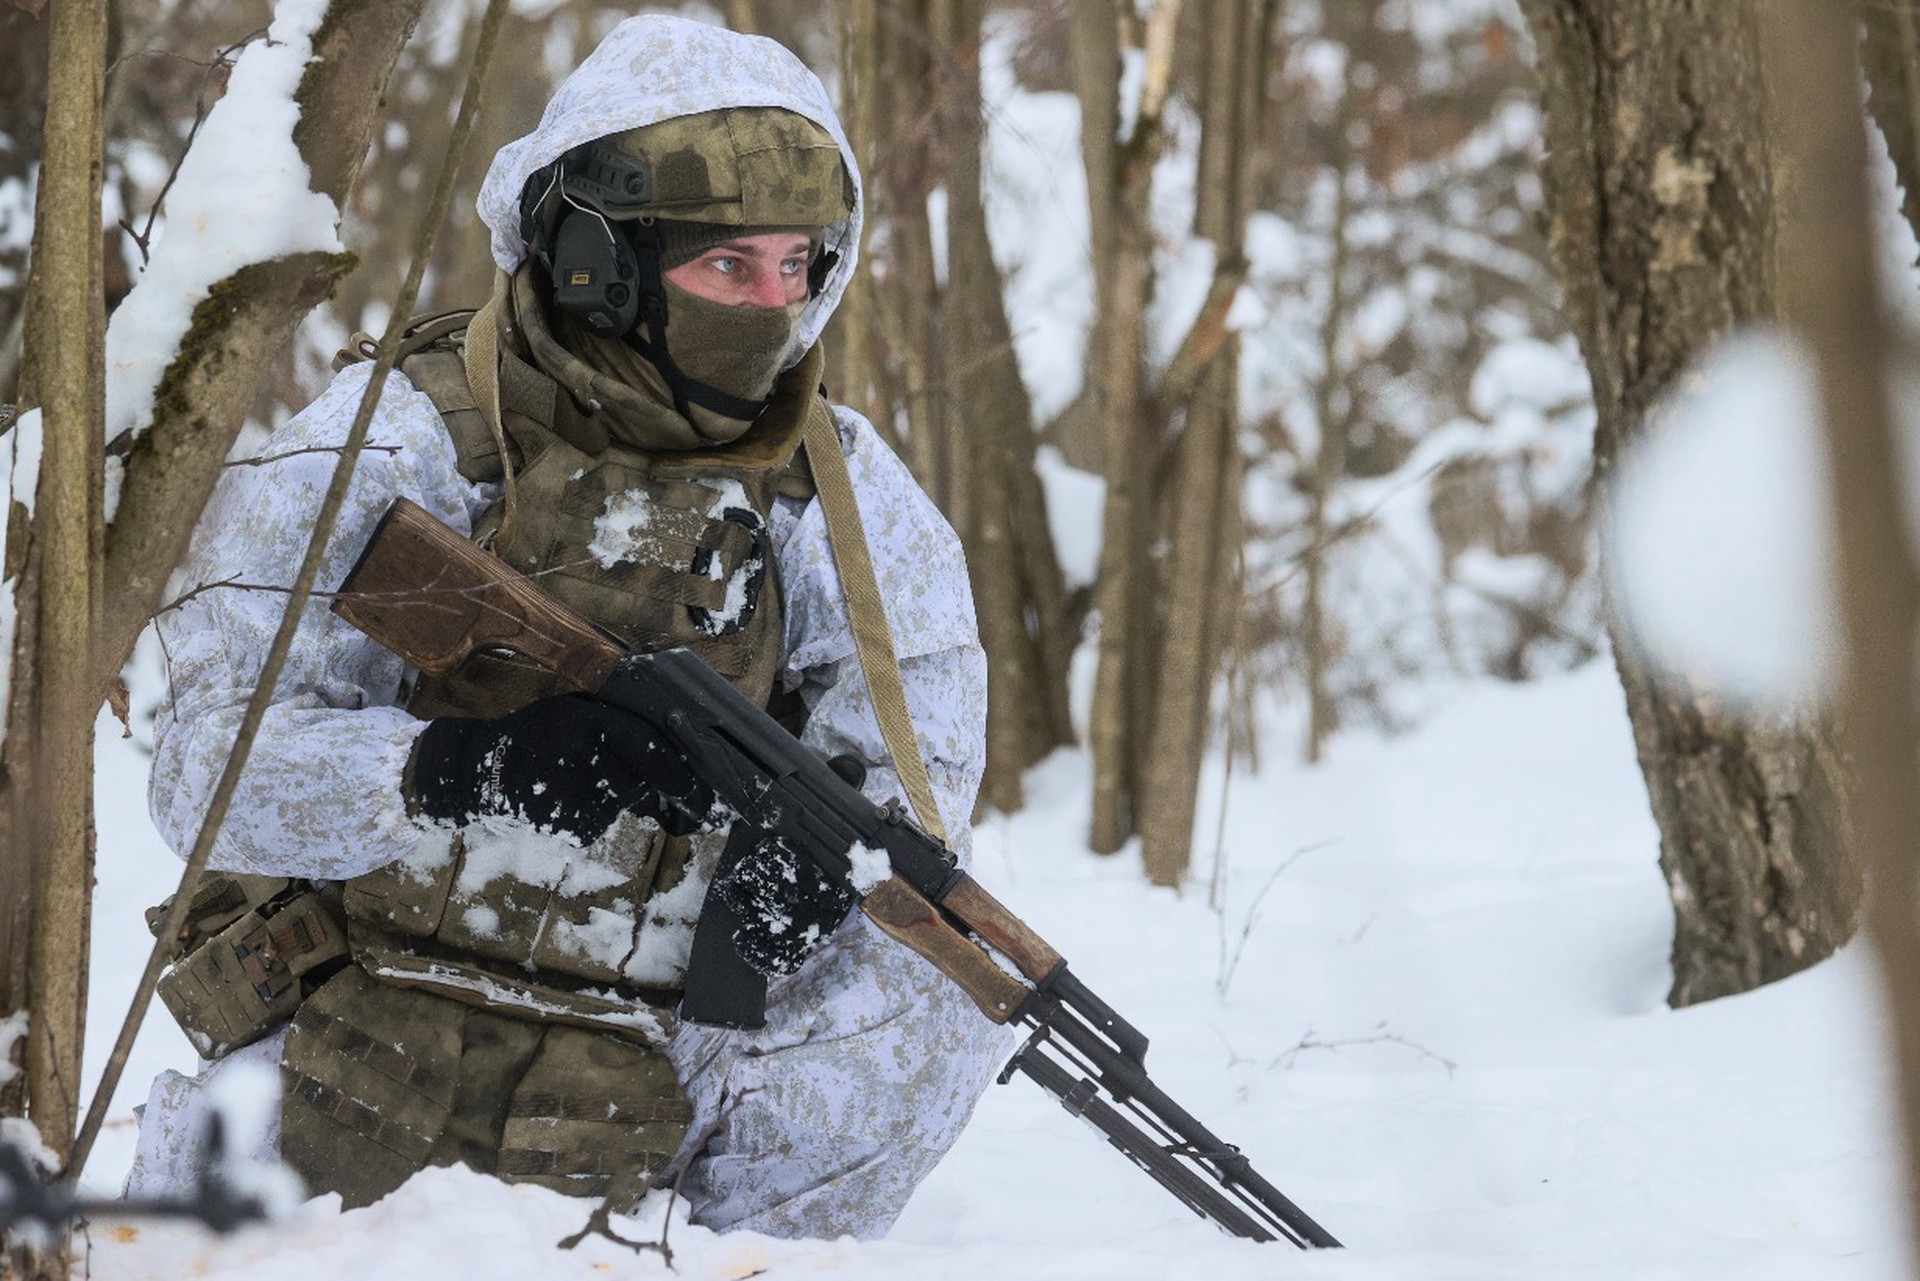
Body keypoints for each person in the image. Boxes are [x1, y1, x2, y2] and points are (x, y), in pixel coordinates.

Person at [127, 13, 1006, 1240]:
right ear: (598, 263)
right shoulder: (404, 436)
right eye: (728, 267)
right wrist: (454, 771)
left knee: (946, 977)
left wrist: (807, 875)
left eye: (796, 266)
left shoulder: (846, 505)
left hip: (662, 1046)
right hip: (348, 1002)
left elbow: (921, 791)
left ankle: (727, 1253)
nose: (773, 306)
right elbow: (200, 775)